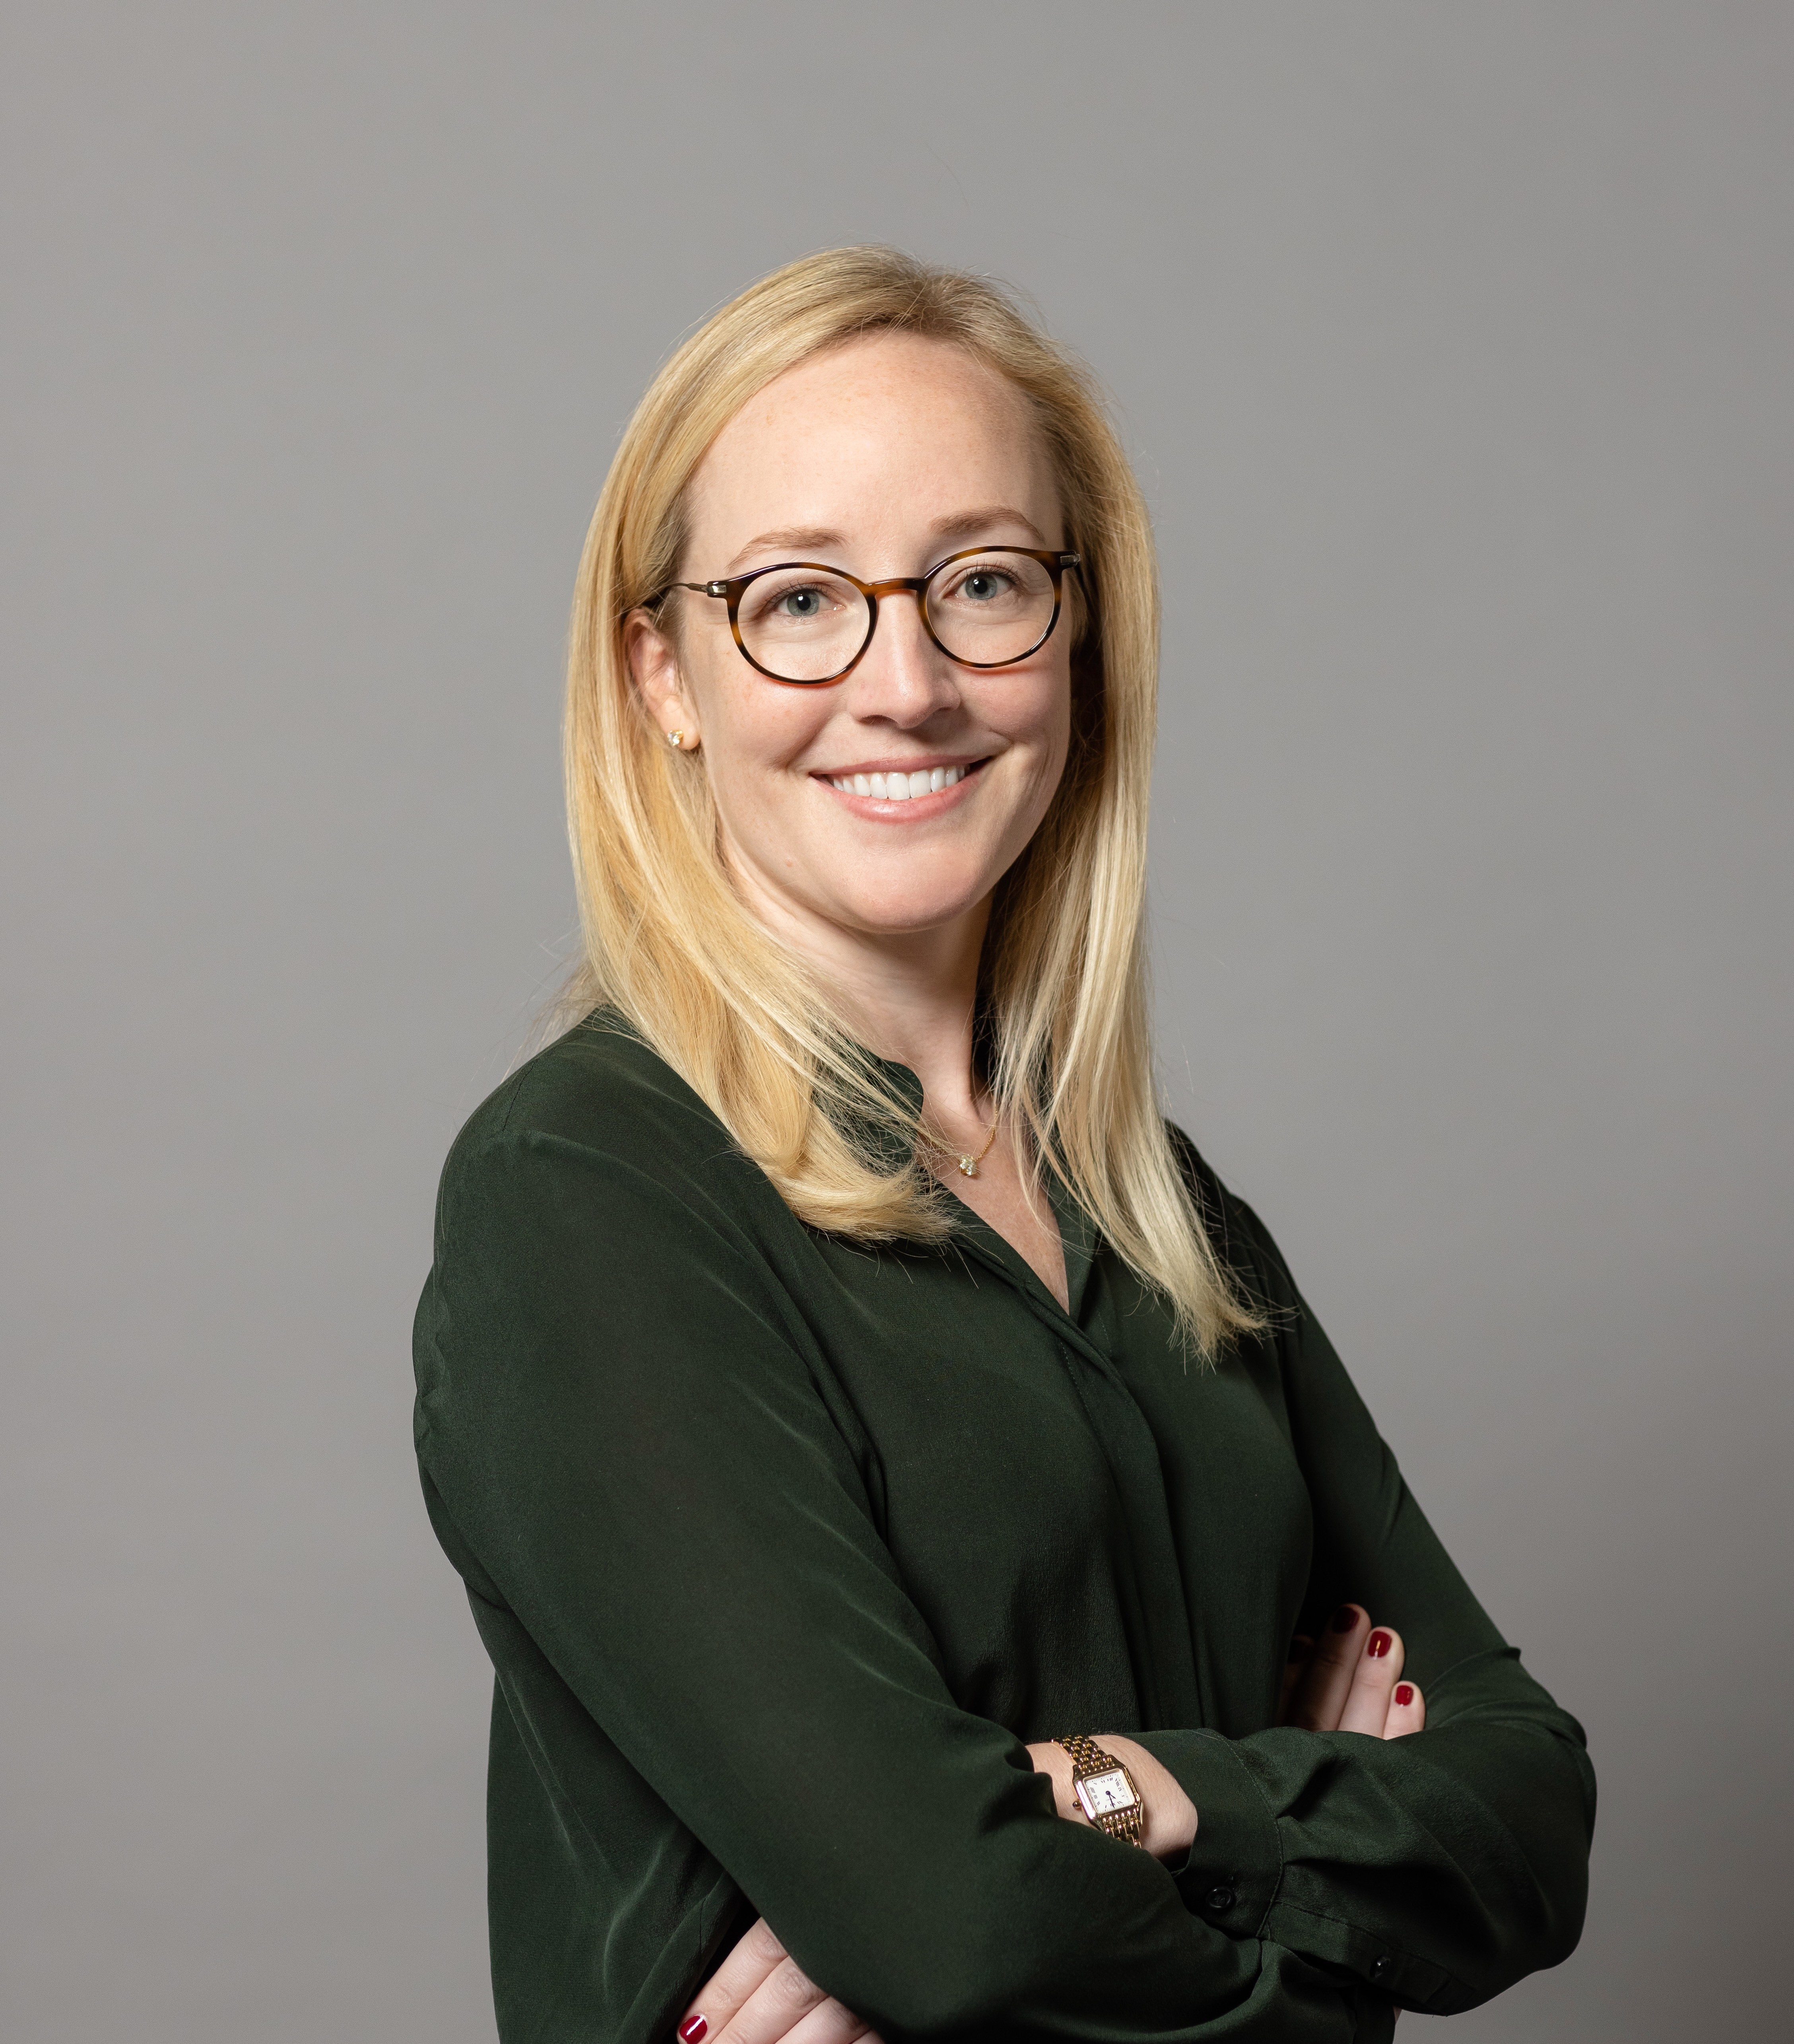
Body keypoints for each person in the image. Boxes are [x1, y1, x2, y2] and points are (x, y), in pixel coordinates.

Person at [413, 247, 1593, 2044]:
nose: (908, 683)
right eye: (799, 599)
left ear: (1078, 632)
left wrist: (1142, 1786)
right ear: (664, 671)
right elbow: (956, 1922)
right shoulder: (588, 1196)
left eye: (981, 582)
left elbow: (1532, 1811)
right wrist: (1313, 1851)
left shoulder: (1166, 1212)